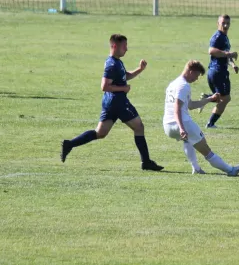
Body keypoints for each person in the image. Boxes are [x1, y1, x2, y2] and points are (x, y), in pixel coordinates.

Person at [60, 34, 164, 171]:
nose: (126, 49)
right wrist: (124, 88)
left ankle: (70, 144)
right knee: (139, 127)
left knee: (101, 133)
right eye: (124, 46)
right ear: (115, 46)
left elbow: (124, 76)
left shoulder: (116, 61)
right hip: (118, 102)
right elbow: (104, 86)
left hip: (110, 102)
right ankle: (146, 162)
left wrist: (140, 69)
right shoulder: (112, 65)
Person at [164, 60, 239, 176]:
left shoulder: (173, 84)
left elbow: (190, 106)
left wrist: (209, 99)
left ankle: (196, 168)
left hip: (168, 125)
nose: (196, 79)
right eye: (196, 75)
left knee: (187, 140)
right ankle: (230, 170)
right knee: (206, 150)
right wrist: (182, 128)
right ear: (190, 71)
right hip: (182, 123)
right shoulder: (183, 86)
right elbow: (177, 108)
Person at [199, 14, 238, 128]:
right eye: (223, 23)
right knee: (225, 99)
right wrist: (229, 54)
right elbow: (211, 51)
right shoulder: (217, 37)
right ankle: (210, 123)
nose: (226, 25)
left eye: (228, 23)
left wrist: (232, 64)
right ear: (218, 24)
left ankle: (207, 99)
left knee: (223, 98)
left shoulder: (224, 37)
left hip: (218, 72)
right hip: (217, 72)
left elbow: (225, 54)